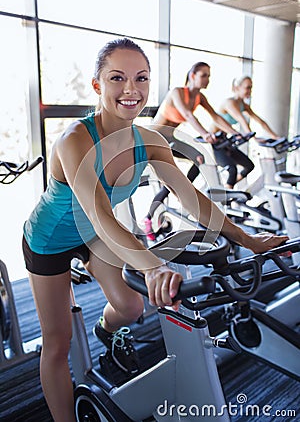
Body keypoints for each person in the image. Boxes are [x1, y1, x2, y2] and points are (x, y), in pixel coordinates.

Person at [22, 38, 288, 422]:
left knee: (130, 307)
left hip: (95, 235)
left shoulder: (148, 140)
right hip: (50, 239)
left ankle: (106, 331)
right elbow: (98, 212)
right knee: (58, 342)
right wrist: (149, 267)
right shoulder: (75, 139)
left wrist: (246, 239)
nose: (131, 89)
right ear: (98, 86)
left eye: (141, 79)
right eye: (117, 78)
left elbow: (190, 197)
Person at [144, 61, 241, 240]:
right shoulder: (177, 92)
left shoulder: (200, 98)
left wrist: (235, 132)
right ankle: (148, 218)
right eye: (204, 75)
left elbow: (216, 116)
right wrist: (204, 133)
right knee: (176, 172)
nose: (207, 79)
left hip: (170, 139)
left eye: (209, 76)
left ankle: (184, 192)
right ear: (192, 75)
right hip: (153, 140)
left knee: (199, 158)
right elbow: (188, 115)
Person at [216, 75, 279, 188]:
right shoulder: (229, 103)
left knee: (249, 166)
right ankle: (226, 199)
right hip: (213, 141)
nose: (249, 90)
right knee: (232, 169)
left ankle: (227, 188)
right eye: (247, 87)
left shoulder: (243, 105)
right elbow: (241, 120)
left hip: (225, 141)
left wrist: (276, 137)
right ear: (237, 88)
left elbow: (260, 121)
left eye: (251, 87)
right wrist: (253, 139)